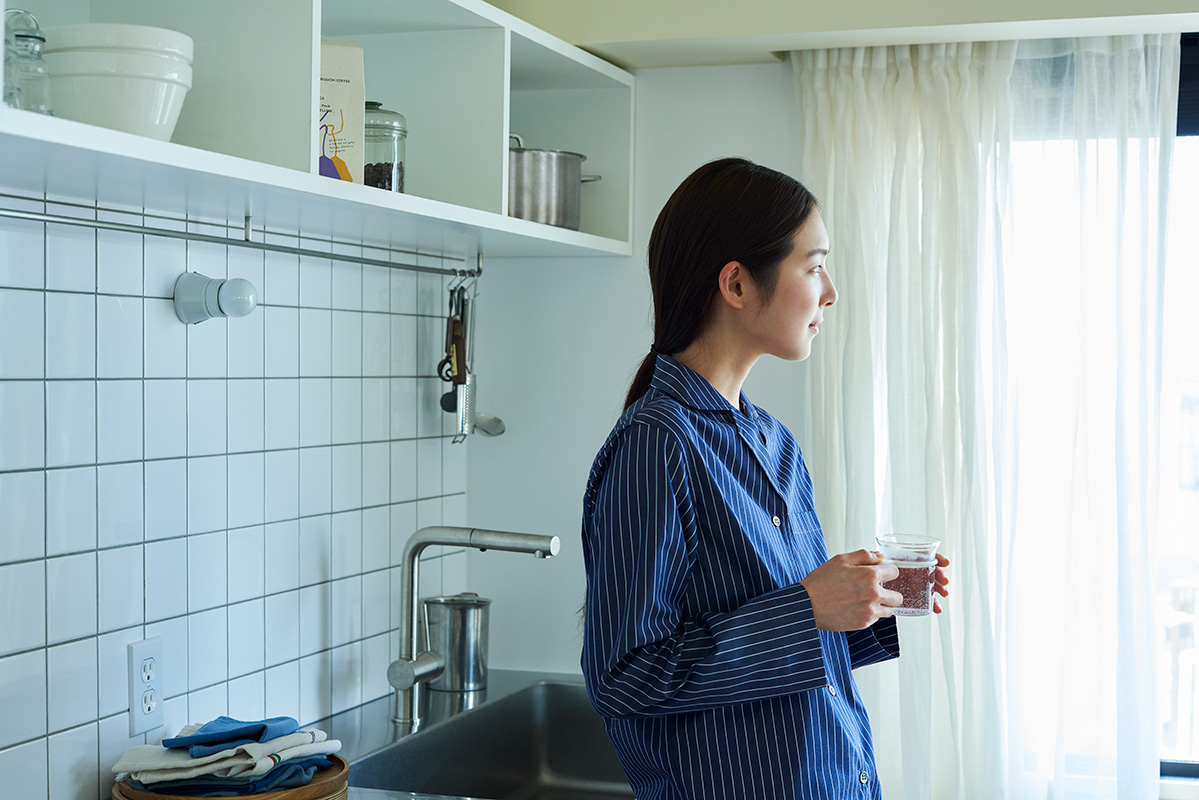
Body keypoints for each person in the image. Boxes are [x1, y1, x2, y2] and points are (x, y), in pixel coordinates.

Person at [580, 157, 951, 799]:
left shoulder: (774, 443)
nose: (830, 291)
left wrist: (864, 601)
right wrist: (807, 609)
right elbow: (626, 677)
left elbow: (784, 661)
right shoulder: (655, 444)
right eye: (813, 266)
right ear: (737, 284)